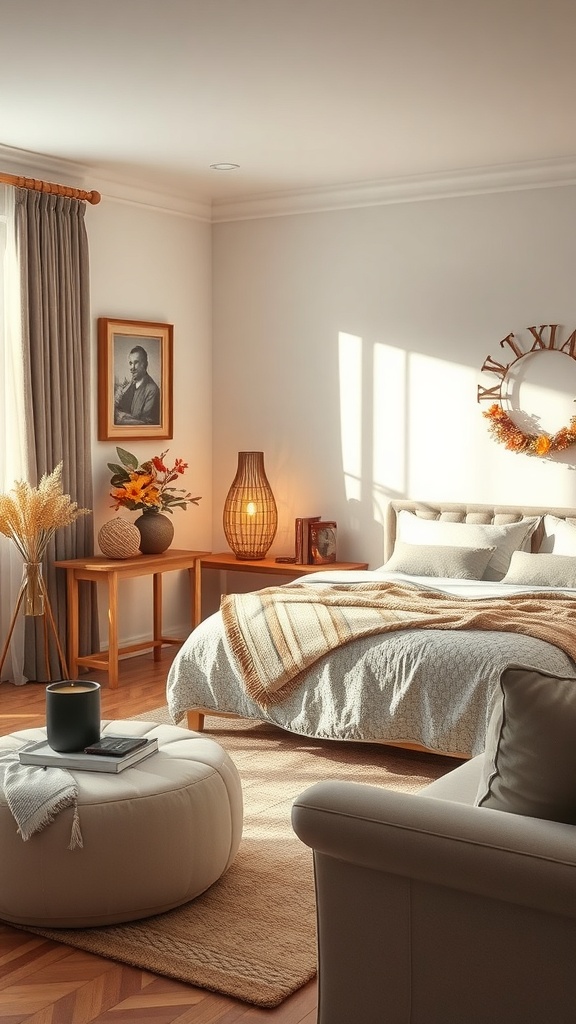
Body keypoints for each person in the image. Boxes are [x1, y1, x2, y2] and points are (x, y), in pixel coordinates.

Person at [114, 345, 161, 426]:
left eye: (136, 363)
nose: (132, 367)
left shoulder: (152, 389)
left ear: (144, 364)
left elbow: (146, 424)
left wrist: (121, 418)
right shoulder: (130, 385)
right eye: (130, 363)